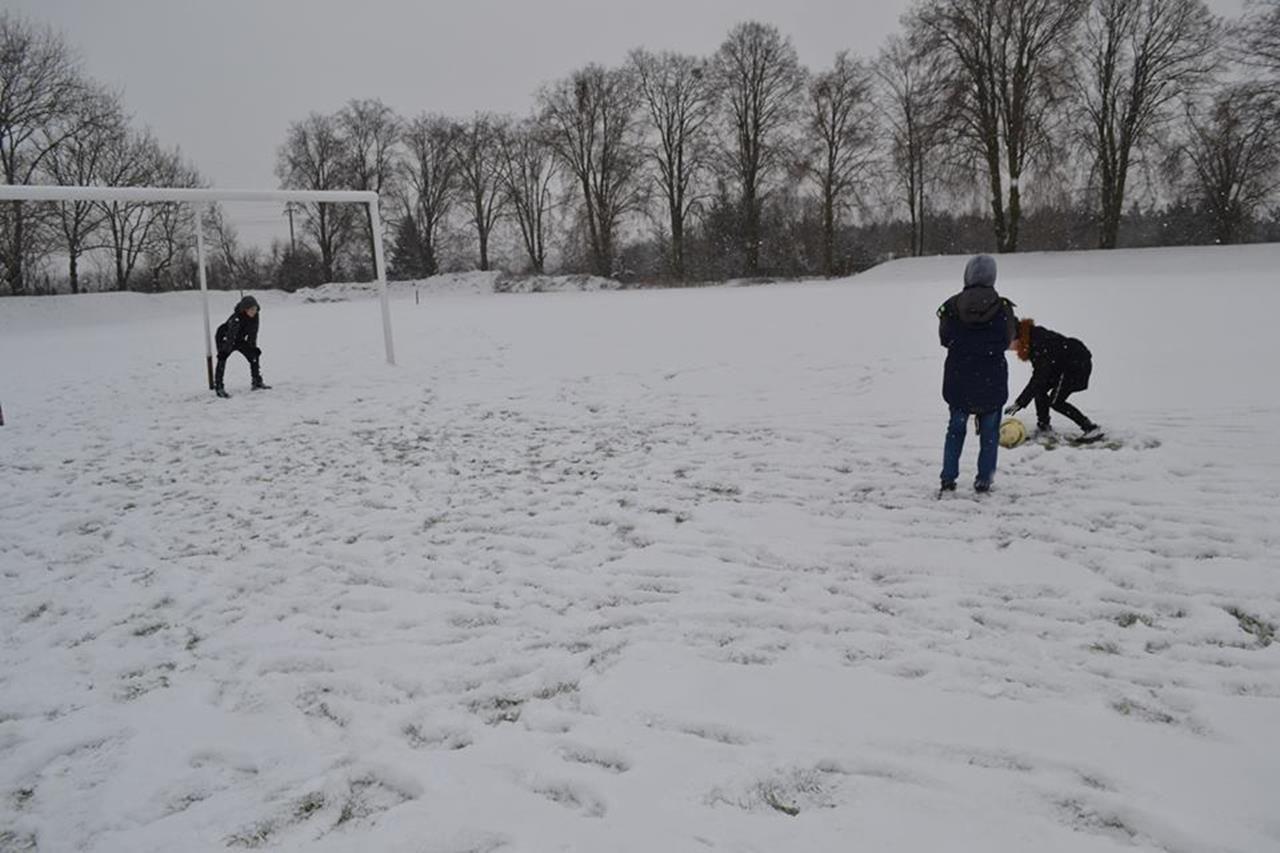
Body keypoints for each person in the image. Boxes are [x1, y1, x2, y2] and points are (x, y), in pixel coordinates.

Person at [937, 254, 1017, 493]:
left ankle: (948, 478)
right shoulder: (1003, 308)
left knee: (955, 430)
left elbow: (945, 338)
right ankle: (984, 479)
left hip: (959, 377)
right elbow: (1007, 339)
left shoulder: (951, 305)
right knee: (990, 433)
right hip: (991, 378)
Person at [1005, 318, 1101, 440]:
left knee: (1056, 402)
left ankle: (1090, 428)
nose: (1010, 349)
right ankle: (1044, 427)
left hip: (1075, 365)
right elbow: (1040, 378)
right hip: (1061, 366)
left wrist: (1020, 402)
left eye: (1009, 344)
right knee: (1039, 390)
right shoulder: (1031, 338)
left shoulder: (1038, 343)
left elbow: (1039, 377)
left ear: (1016, 338)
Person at [214, 295, 270, 398]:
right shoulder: (236, 318)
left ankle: (256, 381)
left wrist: (253, 348)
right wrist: (224, 351)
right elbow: (231, 336)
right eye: (251, 309)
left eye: (255, 309)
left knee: (253, 355)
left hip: (239, 339)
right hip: (225, 337)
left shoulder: (255, 316)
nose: (254, 311)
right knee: (222, 358)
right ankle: (219, 387)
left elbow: (253, 334)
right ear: (245, 310)